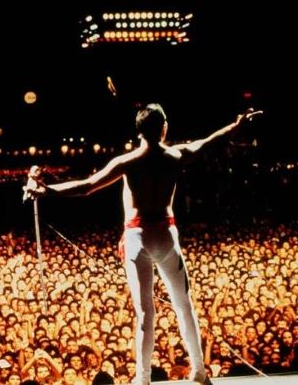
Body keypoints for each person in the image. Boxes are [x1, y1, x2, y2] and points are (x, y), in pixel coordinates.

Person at [23, 103, 262, 385]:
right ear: (163, 128)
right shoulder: (175, 155)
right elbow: (208, 142)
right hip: (166, 233)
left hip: (137, 236)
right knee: (184, 306)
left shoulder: (128, 162)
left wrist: (46, 190)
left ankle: (143, 378)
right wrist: (235, 126)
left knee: (146, 313)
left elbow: (87, 186)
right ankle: (199, 371)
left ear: (139, 131)